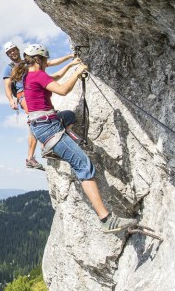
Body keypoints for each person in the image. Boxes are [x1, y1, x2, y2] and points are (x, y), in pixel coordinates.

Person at [13, 43, 138, 233]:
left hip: (43, 125)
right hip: (49, 129)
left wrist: (73, 65)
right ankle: (106, 219)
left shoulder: (30, 76)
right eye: (46, 61)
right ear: (39, 59)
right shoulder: (37, 75)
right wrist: (78, 71)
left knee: (70, 115)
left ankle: (49, 148)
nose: (47, 63)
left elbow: (55, 77)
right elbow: (62, 90)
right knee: (84, 165)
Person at [2, 42, 75, 170]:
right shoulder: (9, 68)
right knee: (35, 119)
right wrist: (10, 100)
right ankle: (34, 154)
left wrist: (69, 57)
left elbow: (52, 63)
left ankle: (39, 151)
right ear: (7, 55)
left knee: (38, 119)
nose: (12, 53)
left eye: (13, 50)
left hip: (35, 89)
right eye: (9, 52)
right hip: (23, 94)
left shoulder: (29, 62)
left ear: (18, 50)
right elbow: (7, 86)